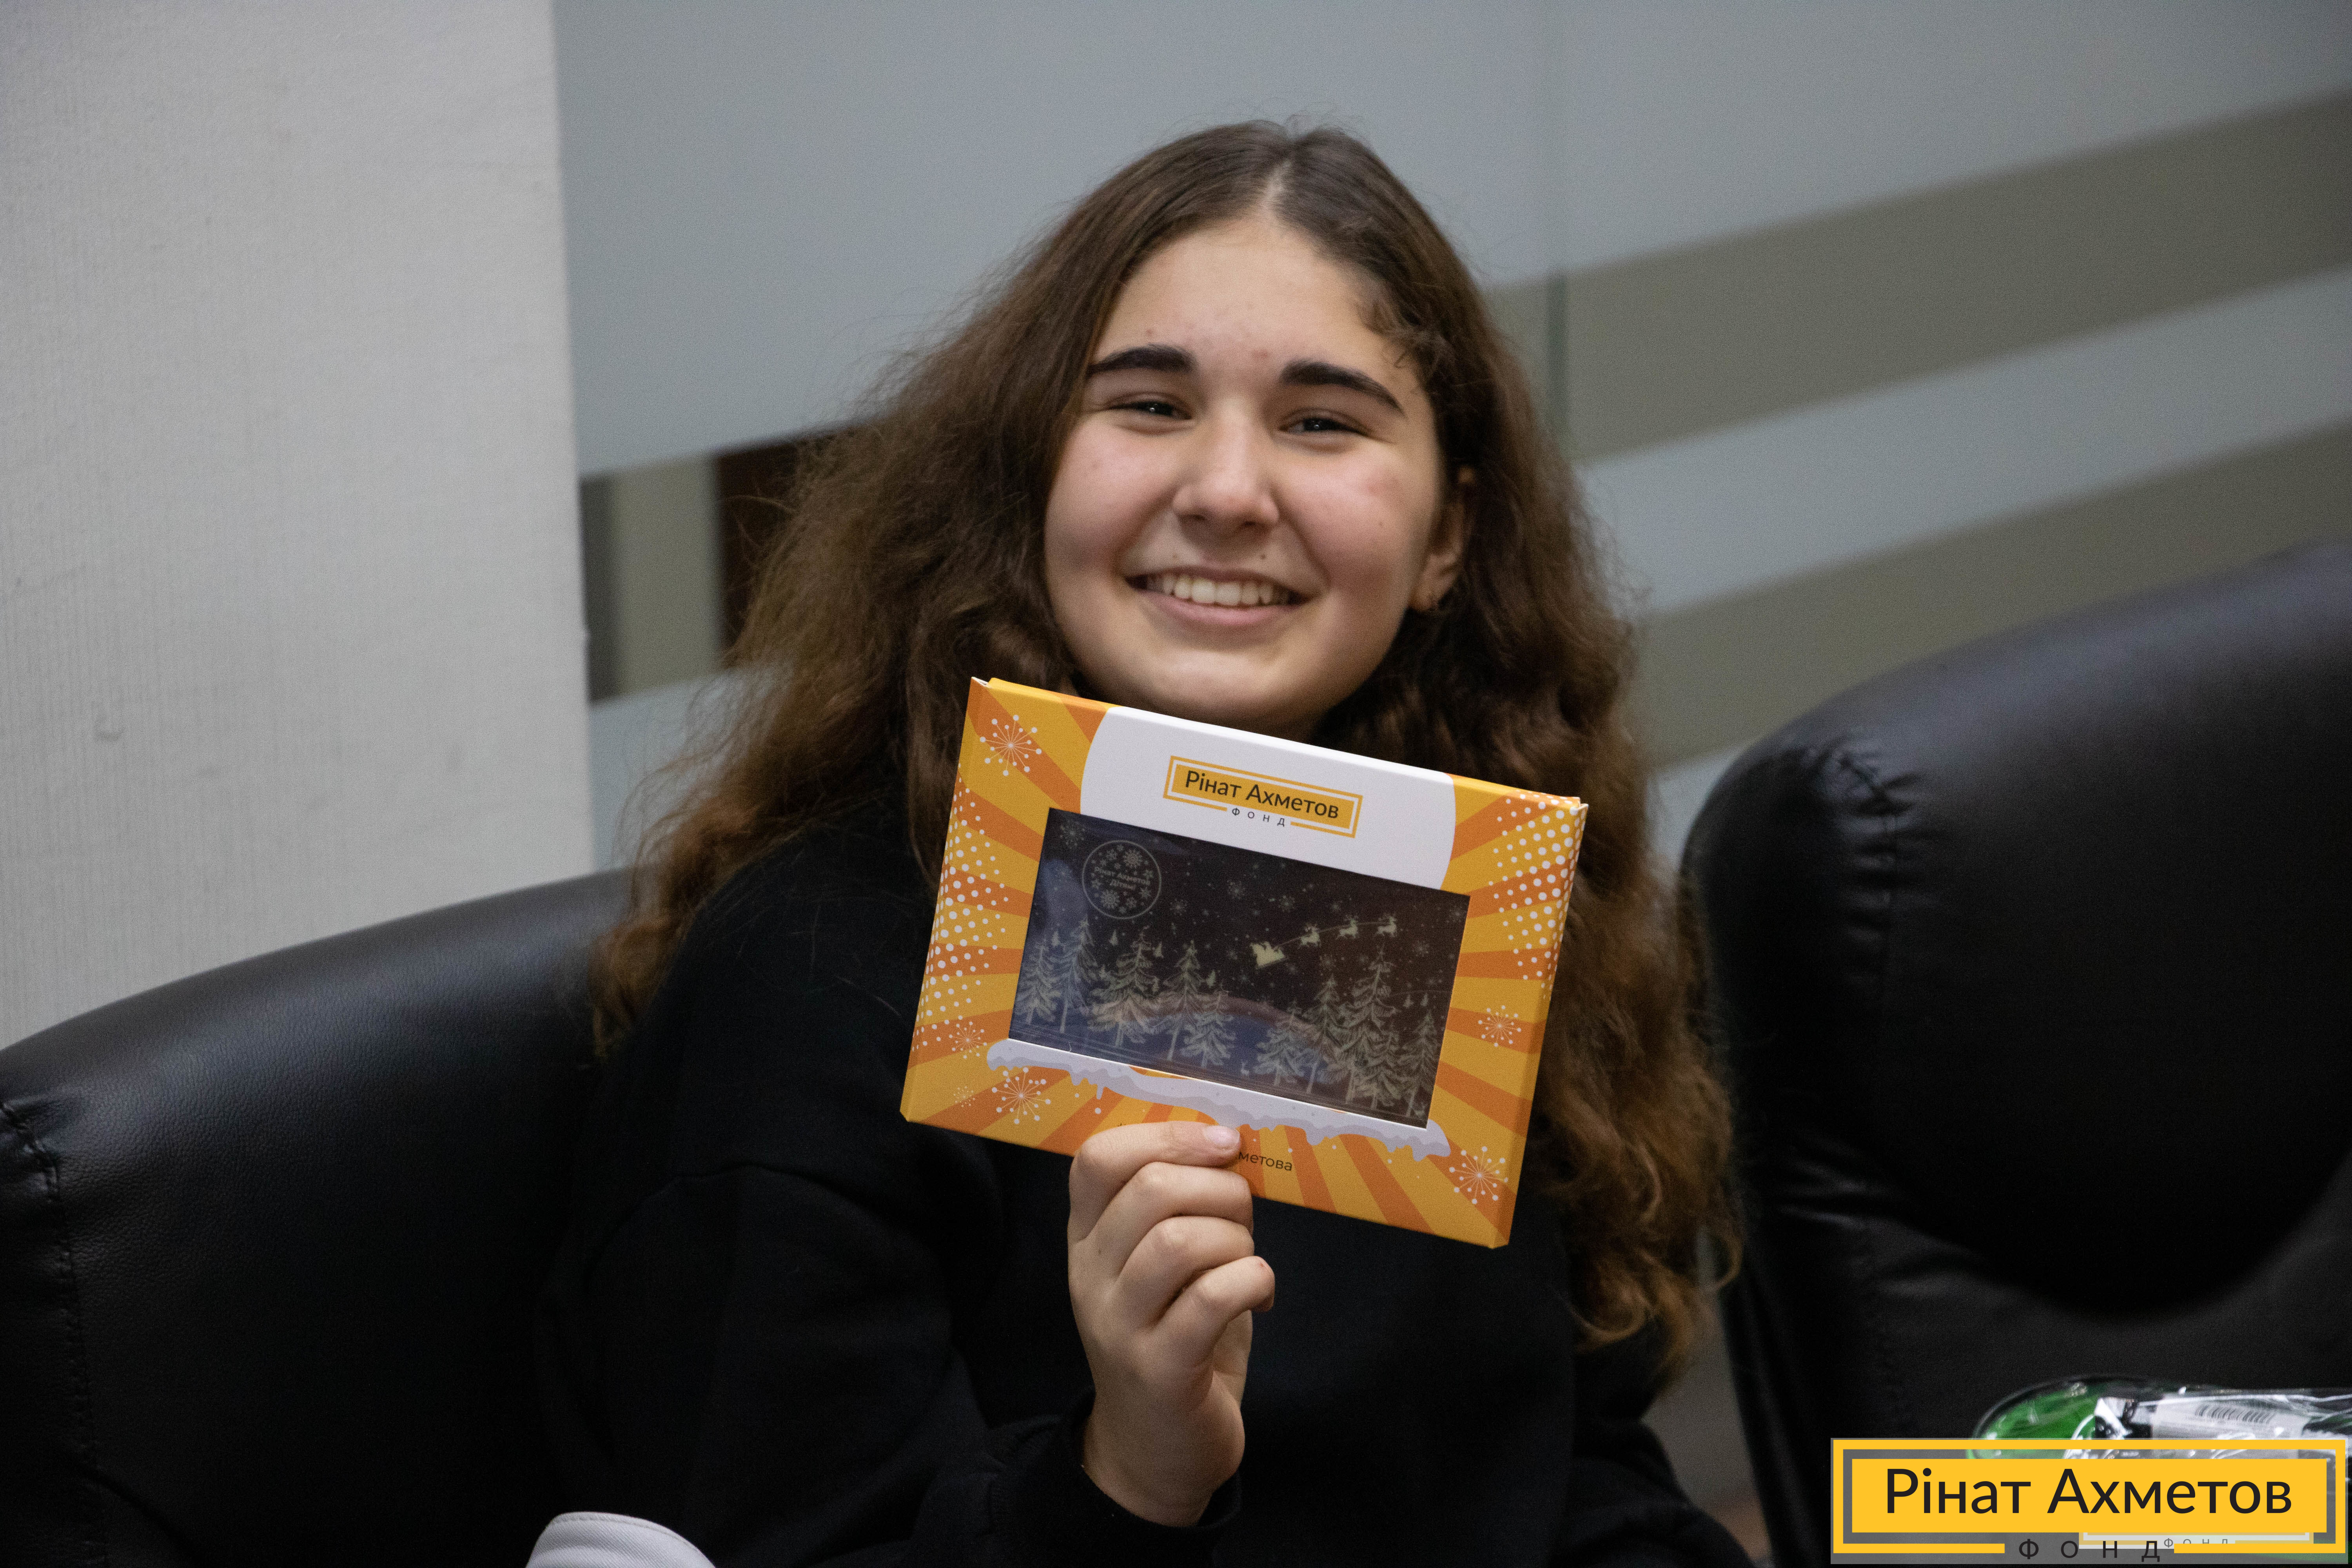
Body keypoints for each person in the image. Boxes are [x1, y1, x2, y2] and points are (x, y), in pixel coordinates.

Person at [539, 121, 1744, 1567]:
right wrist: (1128, 1476)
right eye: (1151, 405)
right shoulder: (807, 982)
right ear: (1031, 476)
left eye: (1323, 422)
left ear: (1446, 540)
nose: (1227, 491)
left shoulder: (1470, 927)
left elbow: (1565, 1470)